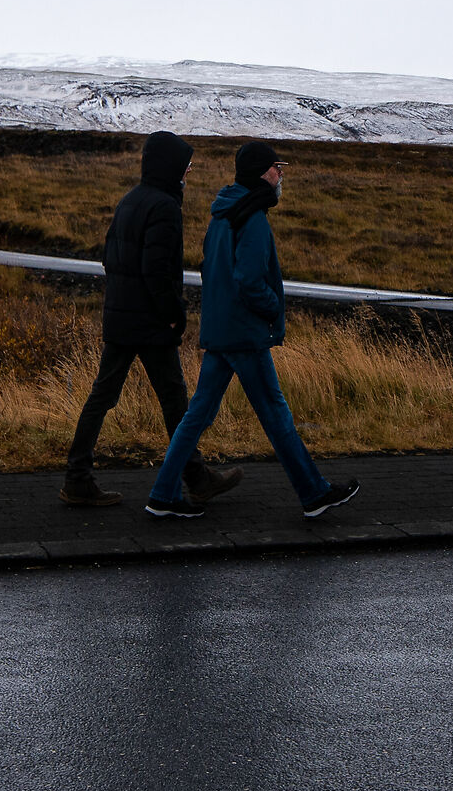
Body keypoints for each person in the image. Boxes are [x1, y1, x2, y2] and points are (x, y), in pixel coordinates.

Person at [145, 140, 359, 520]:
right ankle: (313, 494)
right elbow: (248, 279)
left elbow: (212, 271)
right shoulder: (254, 218)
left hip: (221, 330)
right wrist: (272, 307)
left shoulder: (223, 214)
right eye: (279, 168)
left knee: (196, 416)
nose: (281, 175)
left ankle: (162, 494)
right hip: (245, 333)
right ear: (265, 172)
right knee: (276, 415)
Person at [60, 130, 242, 509]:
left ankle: (78, 477)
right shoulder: (163, 207)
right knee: (176, 402)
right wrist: (175, 315)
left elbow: (109, 257)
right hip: (150, 324)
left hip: (123, 319)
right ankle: (196, 478)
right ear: (169, 166)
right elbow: (157, 271)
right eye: (185, 164)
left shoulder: (130, 200)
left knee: (103, 397)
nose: (188, 171)